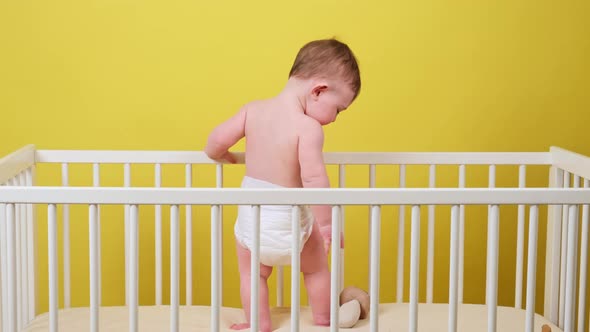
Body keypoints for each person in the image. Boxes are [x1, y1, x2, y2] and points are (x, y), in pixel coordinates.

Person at [204, 38, 361, 332]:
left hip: (253, 221)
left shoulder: (253, 111)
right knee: (315, 270)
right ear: (318, 90)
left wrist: (225, 156)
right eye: (338, 109)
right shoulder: (308, 127)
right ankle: (324, 319)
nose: (335, 119)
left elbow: (213, 144)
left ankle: (258, 322)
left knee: (252, 274)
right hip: (290, 221)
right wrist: (327, 226)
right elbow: (315, 180)